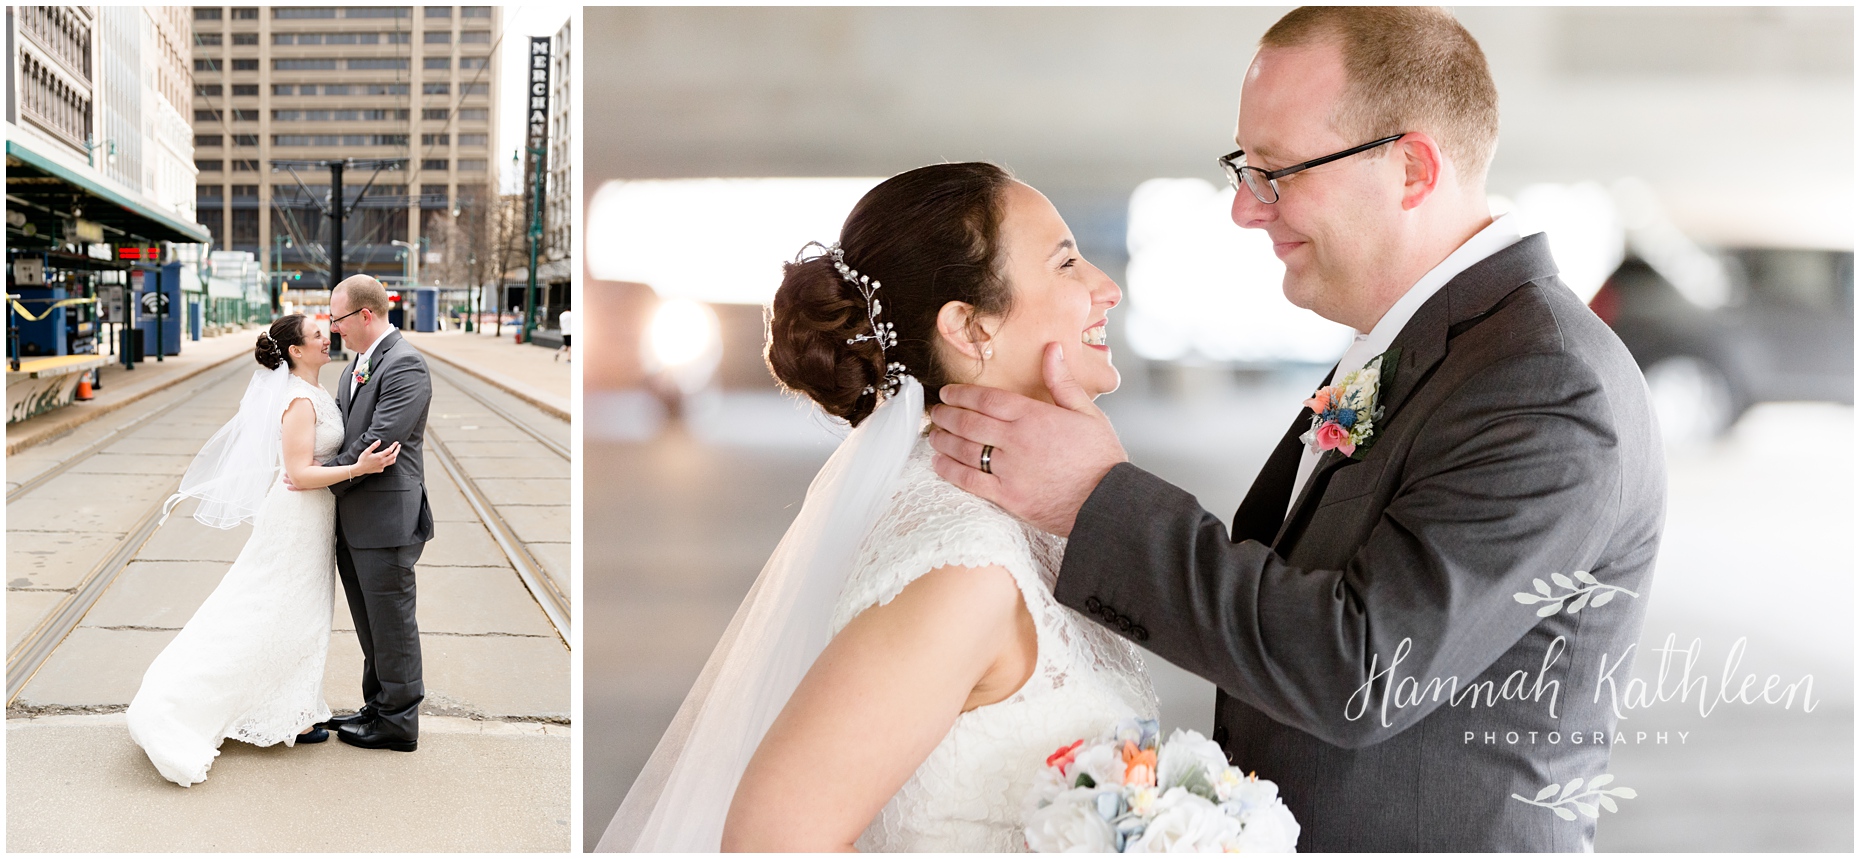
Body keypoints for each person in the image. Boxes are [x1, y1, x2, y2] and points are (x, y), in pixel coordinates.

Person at [928, 7, 1665, 851]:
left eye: (1276, 171)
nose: (1246, 209)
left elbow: (1362, 667)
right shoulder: (1427, 344)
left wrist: (1096, 497)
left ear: (1412, 169)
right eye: (1245, 167)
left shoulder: (1546, 382)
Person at [598, 163, 1158, 851]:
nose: (1107, 287)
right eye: (1067, 262)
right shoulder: (968, 569)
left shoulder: (1008, 512)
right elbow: (772, 841)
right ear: (970, 326)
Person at [127, 314, 400, 787]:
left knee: (301, 614)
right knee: (273, 610)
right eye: (318, 335)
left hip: (315, 520)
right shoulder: (298, 400)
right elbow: (299, 474)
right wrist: (361, 467)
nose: (327, 338)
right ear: (295, 350)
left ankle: (295, 709)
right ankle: (193, 704)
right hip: (295, 520)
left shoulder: (318, 392)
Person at [313, 274, 436, 752]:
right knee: (371, 622)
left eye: (337, 318)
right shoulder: (356, 365)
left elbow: (378, 440)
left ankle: (399, 722)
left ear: (366, 314)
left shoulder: (405, 365)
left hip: (385, 520)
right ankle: (378, 705)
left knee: (392, 622)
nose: (333, 327)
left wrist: (321, 476)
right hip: (356, 518)